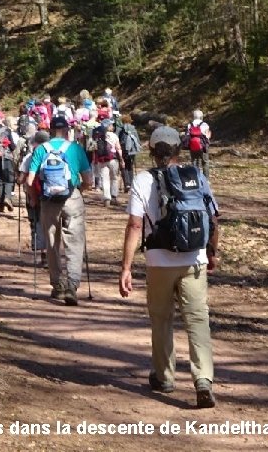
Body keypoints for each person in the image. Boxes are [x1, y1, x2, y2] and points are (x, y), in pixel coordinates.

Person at [119, 125, 220, 408]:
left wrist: (126, 267)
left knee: (161, 319)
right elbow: (214, 219)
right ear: (180, 150)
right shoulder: (195, 176)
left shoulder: (142, 180)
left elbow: (135, 225)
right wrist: (211, 253)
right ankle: (203, 380)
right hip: (194, 259)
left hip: (159, 261)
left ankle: (164, 376)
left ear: (151, 151)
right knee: (197, 320)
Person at [27, 116, 93, 306]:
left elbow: (30, 180)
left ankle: (58, 285)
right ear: (66, 130)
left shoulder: (41, 149)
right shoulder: (75, 149)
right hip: (71, 197)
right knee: (75, 242)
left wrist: (33, 198)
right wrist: (80, 190)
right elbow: (88, 180)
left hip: (48, 201)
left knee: (52, 242)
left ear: (49, 131)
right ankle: (72, 285)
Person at [17, 131, 50, 266]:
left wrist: (18, 180)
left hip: (34, 195)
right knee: (51, 224)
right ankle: (52, 252)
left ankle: (43, 254)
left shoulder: (30, 157)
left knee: (37, 222)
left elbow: (22, 179)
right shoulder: (54, 154)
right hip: (53, 195)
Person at [92, 118, 124, 207]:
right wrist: (121, 159)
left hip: (101, 160)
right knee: (114, 178)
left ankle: (106, 198)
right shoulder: (114, 136)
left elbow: (94, 148)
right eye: (111, 125)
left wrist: (95, 160)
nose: (113, 126)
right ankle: (114, 197)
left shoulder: (97, 136)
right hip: (113, 159)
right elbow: (118, 148)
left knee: (105, 179)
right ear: (109, 126)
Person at [0, 111, 16, 212]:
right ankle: (7, 198)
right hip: (6, 157)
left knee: (0, 182)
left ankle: (1, 205)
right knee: (9, 180)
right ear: (2, 119)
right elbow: (12, 146)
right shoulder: (7, 131)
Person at [116, 114, 141, 192]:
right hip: (132, 150)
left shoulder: (120, 128)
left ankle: (127, 184)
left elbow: (117, 139)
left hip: (123, 148)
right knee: (130, 165)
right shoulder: (133, 129)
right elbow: (138, 140)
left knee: (123, 165)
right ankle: (131, 183)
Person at [184, 109, 212, 178]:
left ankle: (195, 178)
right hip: (203, 146)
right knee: (205, 162)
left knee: (194, 162)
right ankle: (206, 179)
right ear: (201, 116)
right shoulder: (205, 124)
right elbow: (207, 136)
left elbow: (187, 135)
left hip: (192, 146)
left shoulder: (189, 125)